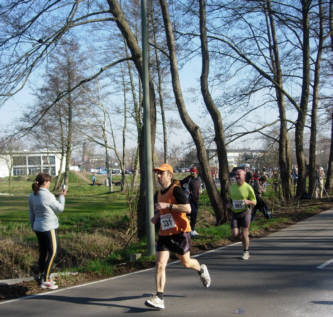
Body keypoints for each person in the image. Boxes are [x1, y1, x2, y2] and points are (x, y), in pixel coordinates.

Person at [145, 163, 211, 310]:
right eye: (157, 173)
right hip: (164, 234)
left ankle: (201, 269)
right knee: (160, 264)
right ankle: (159, 297)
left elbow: (188, 208)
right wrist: (156, 217)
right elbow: (162, 210)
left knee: (186, 263)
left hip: (180, 232)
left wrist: (168, 207)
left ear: (170, 175)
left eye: (161, 173)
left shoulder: (176, 190)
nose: (158, 176)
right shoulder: (158, 193)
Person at [28, 173, 67, 290]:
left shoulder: (32, 195)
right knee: (53, 252)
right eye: (49, 181)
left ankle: (42, 277)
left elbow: (31, 213)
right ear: (45, 182)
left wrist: (33, 225)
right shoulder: (48, 195)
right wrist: (62, 196)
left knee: (43, 253)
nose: (50, 183)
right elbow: (60, 208)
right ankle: (46, 279)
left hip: (37, 227)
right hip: (48, 227)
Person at [227, 168, 256, 260]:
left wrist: (248, 201)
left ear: (244, 176)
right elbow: (231, 199)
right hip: (235, 213)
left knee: (244, 234)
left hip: (245, 213)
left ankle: (246, 252)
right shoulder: (232, 187)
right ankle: (245, 237)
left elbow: (254, 201)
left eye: (239, 175)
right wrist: (229, 204)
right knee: (235, 235)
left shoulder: (248, 187)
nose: (236, 176)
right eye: (236, 175)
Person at [180, 167, 200, 237]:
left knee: (194, 214)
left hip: (196, 199)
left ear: (196, 172)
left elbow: (199, 187)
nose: (192, 173)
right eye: (191, 172)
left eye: (193, 172)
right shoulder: (189, 178)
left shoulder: (198, 179)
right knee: (191, 213)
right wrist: (185, 191)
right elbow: (181, 183)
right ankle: (189, 230)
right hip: (190, 199)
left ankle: (192, 229)